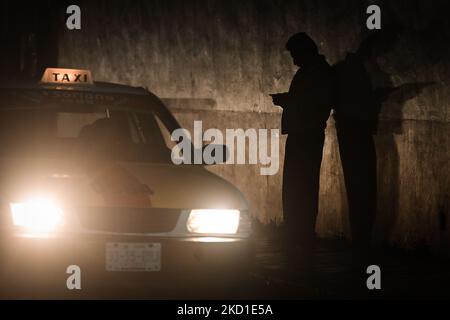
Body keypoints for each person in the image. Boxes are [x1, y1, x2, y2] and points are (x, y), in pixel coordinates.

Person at [271, 33, 335, 267]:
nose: (294, 61)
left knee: (302, 184)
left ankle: (301, 232)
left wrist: (286, 101)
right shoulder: (315, 71)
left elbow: (311, 104)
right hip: (303, 133)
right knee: (299, 184)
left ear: (305, 51)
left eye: (296, 55)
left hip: (306, 134)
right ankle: (298, 231)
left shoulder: (317, 72)